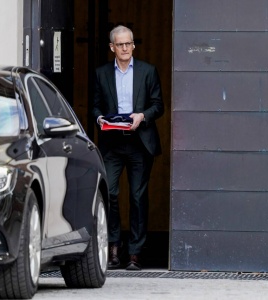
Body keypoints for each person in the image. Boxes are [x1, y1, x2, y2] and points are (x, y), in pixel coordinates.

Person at [92, 25, 164, 271]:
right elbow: (95, 106)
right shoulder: (101, 73)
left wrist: (142, 116)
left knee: (137, 197)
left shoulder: (147, 71)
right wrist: (100, 118)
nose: (125, 48)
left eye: (128, 44)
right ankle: (113, 247)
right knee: (109, 194)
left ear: (133, 45)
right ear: (112, 47)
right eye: (120, 44)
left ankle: (135, 252)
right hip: (112, 143)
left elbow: (158, 105)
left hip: (139, 142)